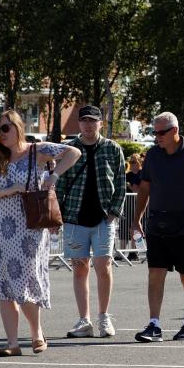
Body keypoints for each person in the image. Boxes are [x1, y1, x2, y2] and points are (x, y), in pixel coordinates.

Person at [0, 110, 81, 356]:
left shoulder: (37, 150)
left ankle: (36, 333)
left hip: (30, 228)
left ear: (18, 127)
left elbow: (74, 152)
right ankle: (12, 343)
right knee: (5, 287)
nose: (1, 135)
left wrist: (53, 176)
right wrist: (10, 189)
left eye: (5, 128)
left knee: (26, 281)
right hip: (2, 230)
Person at [131, 112, 184, 342]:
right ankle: (154, 324)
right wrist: (136, 218)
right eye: (154, 132)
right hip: (157, 222)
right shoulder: (153, 155)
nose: (156, 137)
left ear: (174, 130)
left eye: (161, 132)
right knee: (155, 274)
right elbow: (144, 189)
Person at [55, 105, 127, 339]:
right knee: (79, 266)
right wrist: (58, 214)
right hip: (75, 217)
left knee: (103, 264)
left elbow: (121, 181)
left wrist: (114, 212)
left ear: (100, 123)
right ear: (79, 123)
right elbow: (61, 183)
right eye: (84, 120)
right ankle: (83, 320)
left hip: (104, 217)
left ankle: (104, 316)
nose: (87, 125)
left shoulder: (112, 148)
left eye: (92, 121)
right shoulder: (70, 148)